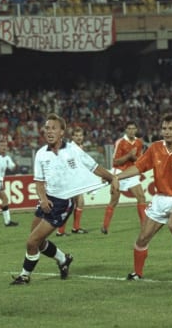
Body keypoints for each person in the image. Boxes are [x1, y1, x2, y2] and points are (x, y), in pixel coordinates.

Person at [10, 114, 118, 285]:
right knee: (37, 240)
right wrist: (43, 199)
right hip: (48, 200)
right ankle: (63, 259)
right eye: (47, 128)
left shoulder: (73, 150)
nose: (49, 131)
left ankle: (24, 275)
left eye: (54, 128)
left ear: (62, 132)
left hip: (62, 202)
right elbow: (39, 183)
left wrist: (113, 178)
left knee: (32, 241)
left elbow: (94, 167)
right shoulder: (40, 154)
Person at [116, 113, 172, 281]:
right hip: (160, 198)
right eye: (164, 128)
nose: (166, 132)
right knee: (142, 238)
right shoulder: (155, 148)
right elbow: (139, 167)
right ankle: (138, 273)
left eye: (171, 128)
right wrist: (116, 177)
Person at [101, 121, 147, 235]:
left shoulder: (139, 142)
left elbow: (139, 160)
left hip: (130, 173)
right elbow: (115, 161)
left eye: (133, 128)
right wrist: (129, 156)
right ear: (126, 130)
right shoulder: (120, 142)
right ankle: (105, 226)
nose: (131, 130)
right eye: (129, 128)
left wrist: (135, 158)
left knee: (141, 197)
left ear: (136, 130)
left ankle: (144, 226)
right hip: (119, 173)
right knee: (114, 201)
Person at [57, 126, 89, 235]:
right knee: (69, 205)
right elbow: (68, 162)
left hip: (75, 179)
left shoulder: (80, 147)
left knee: (80, 202)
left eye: (80, 135)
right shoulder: (70, 148)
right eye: (76, 135)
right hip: (69, 179)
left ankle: (75, 228)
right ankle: (60, 230)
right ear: (72, 137)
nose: (79, 137)